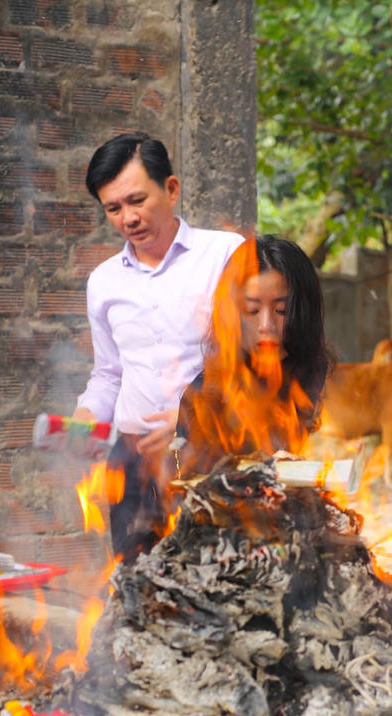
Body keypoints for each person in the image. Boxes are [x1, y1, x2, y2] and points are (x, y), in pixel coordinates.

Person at [72, 132, 244, 563]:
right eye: (113, 209)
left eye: (136, 200)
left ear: (171, 189)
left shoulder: (225, 255)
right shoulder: (103, 282)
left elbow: (245, 362)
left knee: (213, 588)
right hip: (132, 464)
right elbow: (109, 373)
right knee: (136, 590)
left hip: (208, 456)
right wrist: (88, 412)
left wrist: (191, 417)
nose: (127, 218)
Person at [176, 234, 333, 471]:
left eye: (282, 310)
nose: (266, 324)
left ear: (303, 312)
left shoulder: (319, 378)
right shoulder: (203, 396)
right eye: (252, 310)